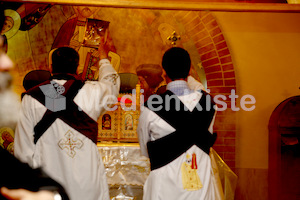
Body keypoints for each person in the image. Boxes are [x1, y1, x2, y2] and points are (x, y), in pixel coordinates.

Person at [14, 37, 120, 200]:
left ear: (50, 67)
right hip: (86, 180)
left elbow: (23, 149)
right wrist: (104, 59)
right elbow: (111, 85)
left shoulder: (33, 97)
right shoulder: (93, 92)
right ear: (77, 67)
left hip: (48, 183)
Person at [0, 4, 69, 200]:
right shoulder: (54, 96)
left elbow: (24, 149)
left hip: (41, 160)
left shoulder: (30, 98)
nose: (7, 64)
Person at [137, 47, 217, 200]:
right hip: (199, 186)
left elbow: (145, 148)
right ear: (189, 72)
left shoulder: (152, 106)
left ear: (164, 73)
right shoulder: (209, 104)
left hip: (164, 186)